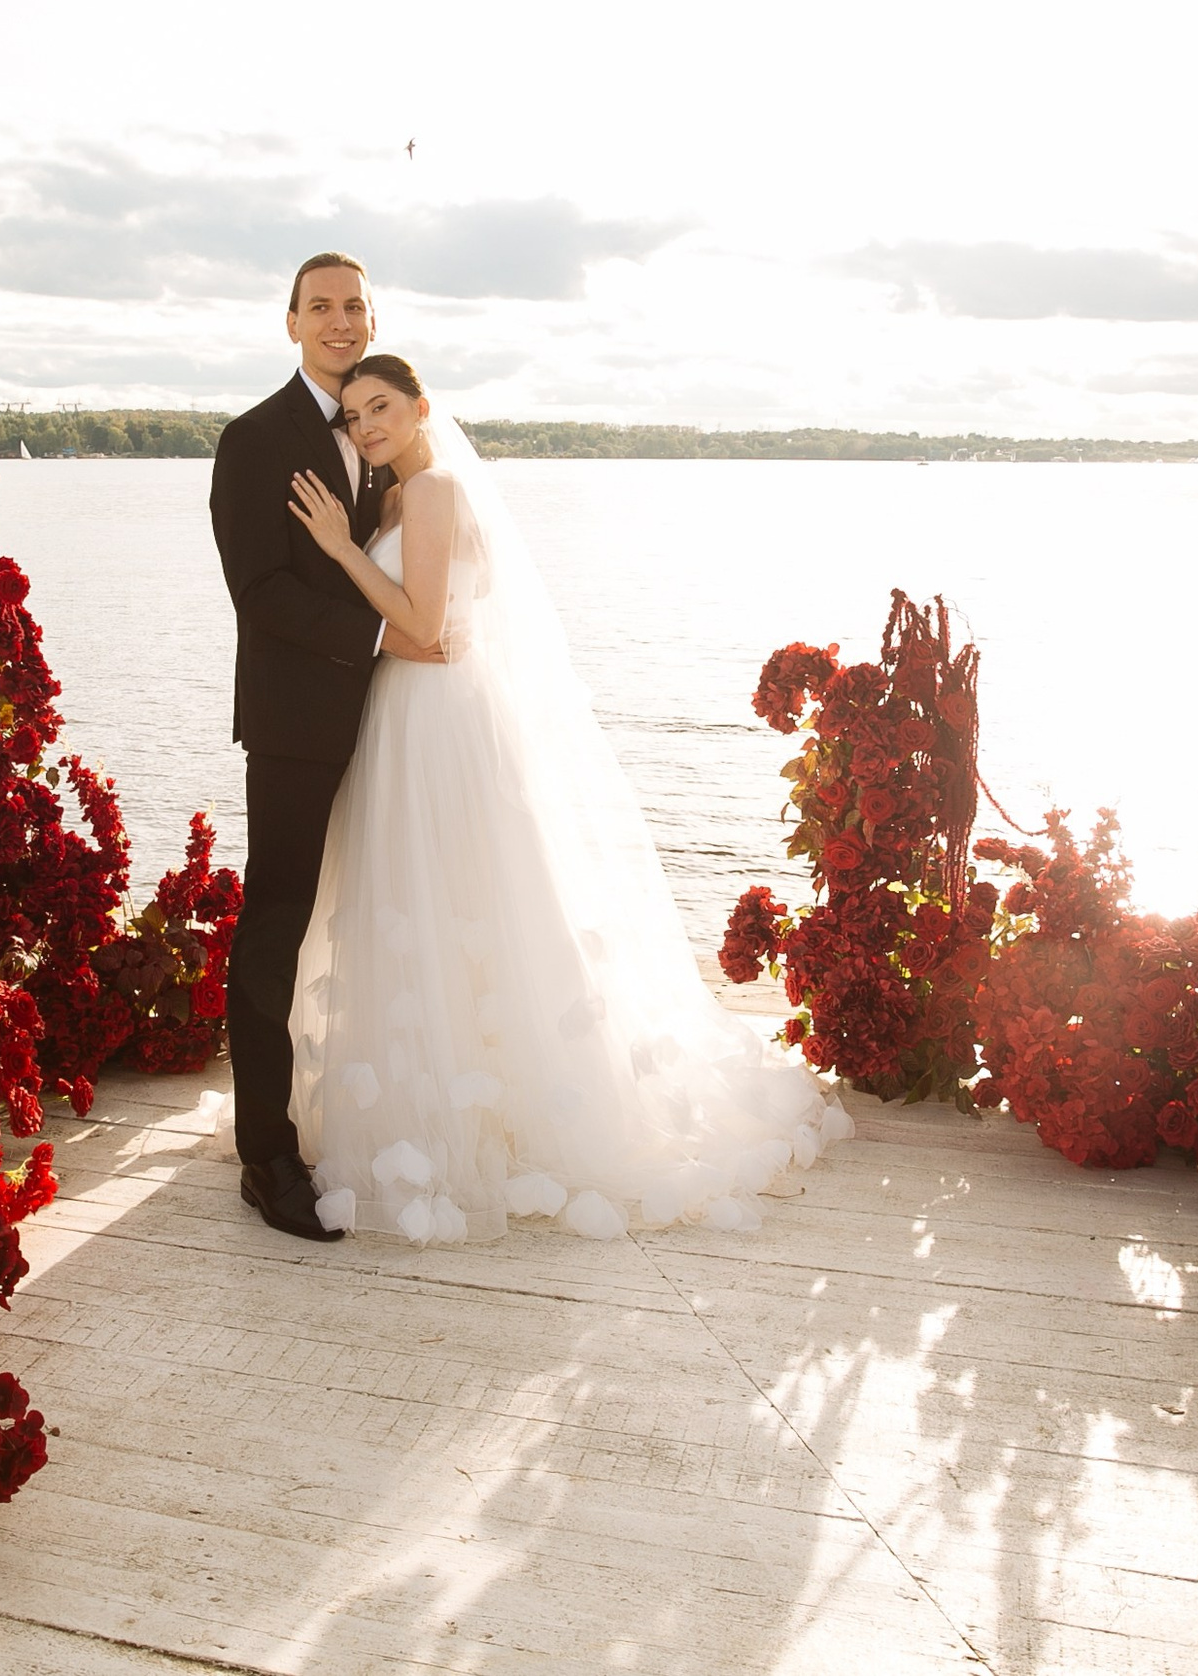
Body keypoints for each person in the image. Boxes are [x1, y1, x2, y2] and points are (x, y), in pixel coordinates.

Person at [280, 353, 850, 1244]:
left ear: (422, 406)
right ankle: (441, 1088)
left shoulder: (428, 494)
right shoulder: (399, 497)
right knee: (439, 898)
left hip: (435, 721)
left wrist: (342, 551)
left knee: (453, 893)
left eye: (381, 407)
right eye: (353, 417)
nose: (367, 427)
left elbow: (426, 627)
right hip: (412, 708)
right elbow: (439, 617)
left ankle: (484, 1111)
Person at [209, 252, 447, 1241]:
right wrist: (380, 637)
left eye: (355, 306)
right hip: (300, 722)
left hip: (402, 724)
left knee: (393, 912)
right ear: (292, 323)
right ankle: (266, 1152)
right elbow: (258, 592)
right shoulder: (254, 439)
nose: (340, 322)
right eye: (322, 308)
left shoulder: (384, 433)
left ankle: (387, 1107)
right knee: (278, 921)